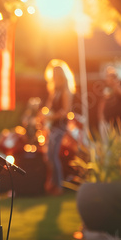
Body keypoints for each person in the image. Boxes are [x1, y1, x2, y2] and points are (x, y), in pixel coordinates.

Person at [43, 59, 76, 195]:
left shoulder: (65, 92)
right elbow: (48, 108)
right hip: (52, 127)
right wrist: (44, 115)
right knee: (49, 156)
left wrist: (51, 117)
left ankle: (59, 186)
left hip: (60, 127)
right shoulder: (54, 91)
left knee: (54, 155)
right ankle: (53, 183)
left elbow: (65, 111)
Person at [97, 66, 121, 140]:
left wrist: (114, 83)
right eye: (107, 76)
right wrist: (101, 117)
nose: (108, 79)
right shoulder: (105, 88)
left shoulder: (120, 87)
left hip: (118, 122)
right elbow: (102, 103)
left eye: (110, 76)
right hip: (106, 121)